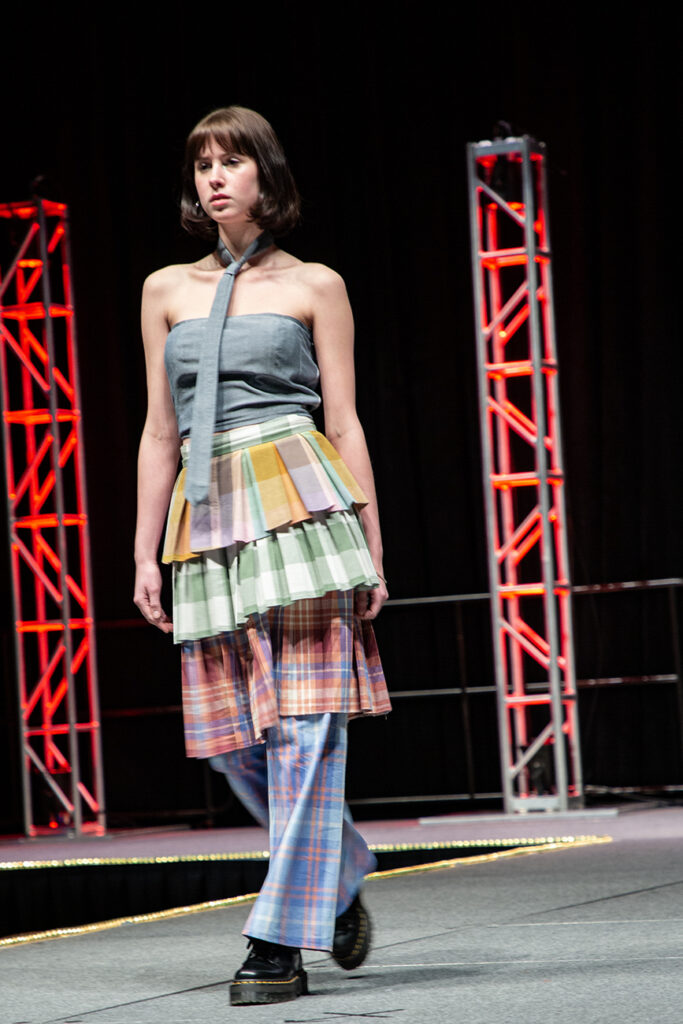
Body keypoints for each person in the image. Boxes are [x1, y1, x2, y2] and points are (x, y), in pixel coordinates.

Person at [133, 105, 390, 1007]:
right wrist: (141, 554)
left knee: (309, 728)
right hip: (206, 523)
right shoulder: (164, 288)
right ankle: (341, 868)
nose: (214, 177)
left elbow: (345, 420)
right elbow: (159, 432)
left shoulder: (317, 284)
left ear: (264, 177)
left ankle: (277, 939)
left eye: (232, 161)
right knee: (233, 743)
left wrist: (372, 545)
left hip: (303, 501)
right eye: (202, 162)